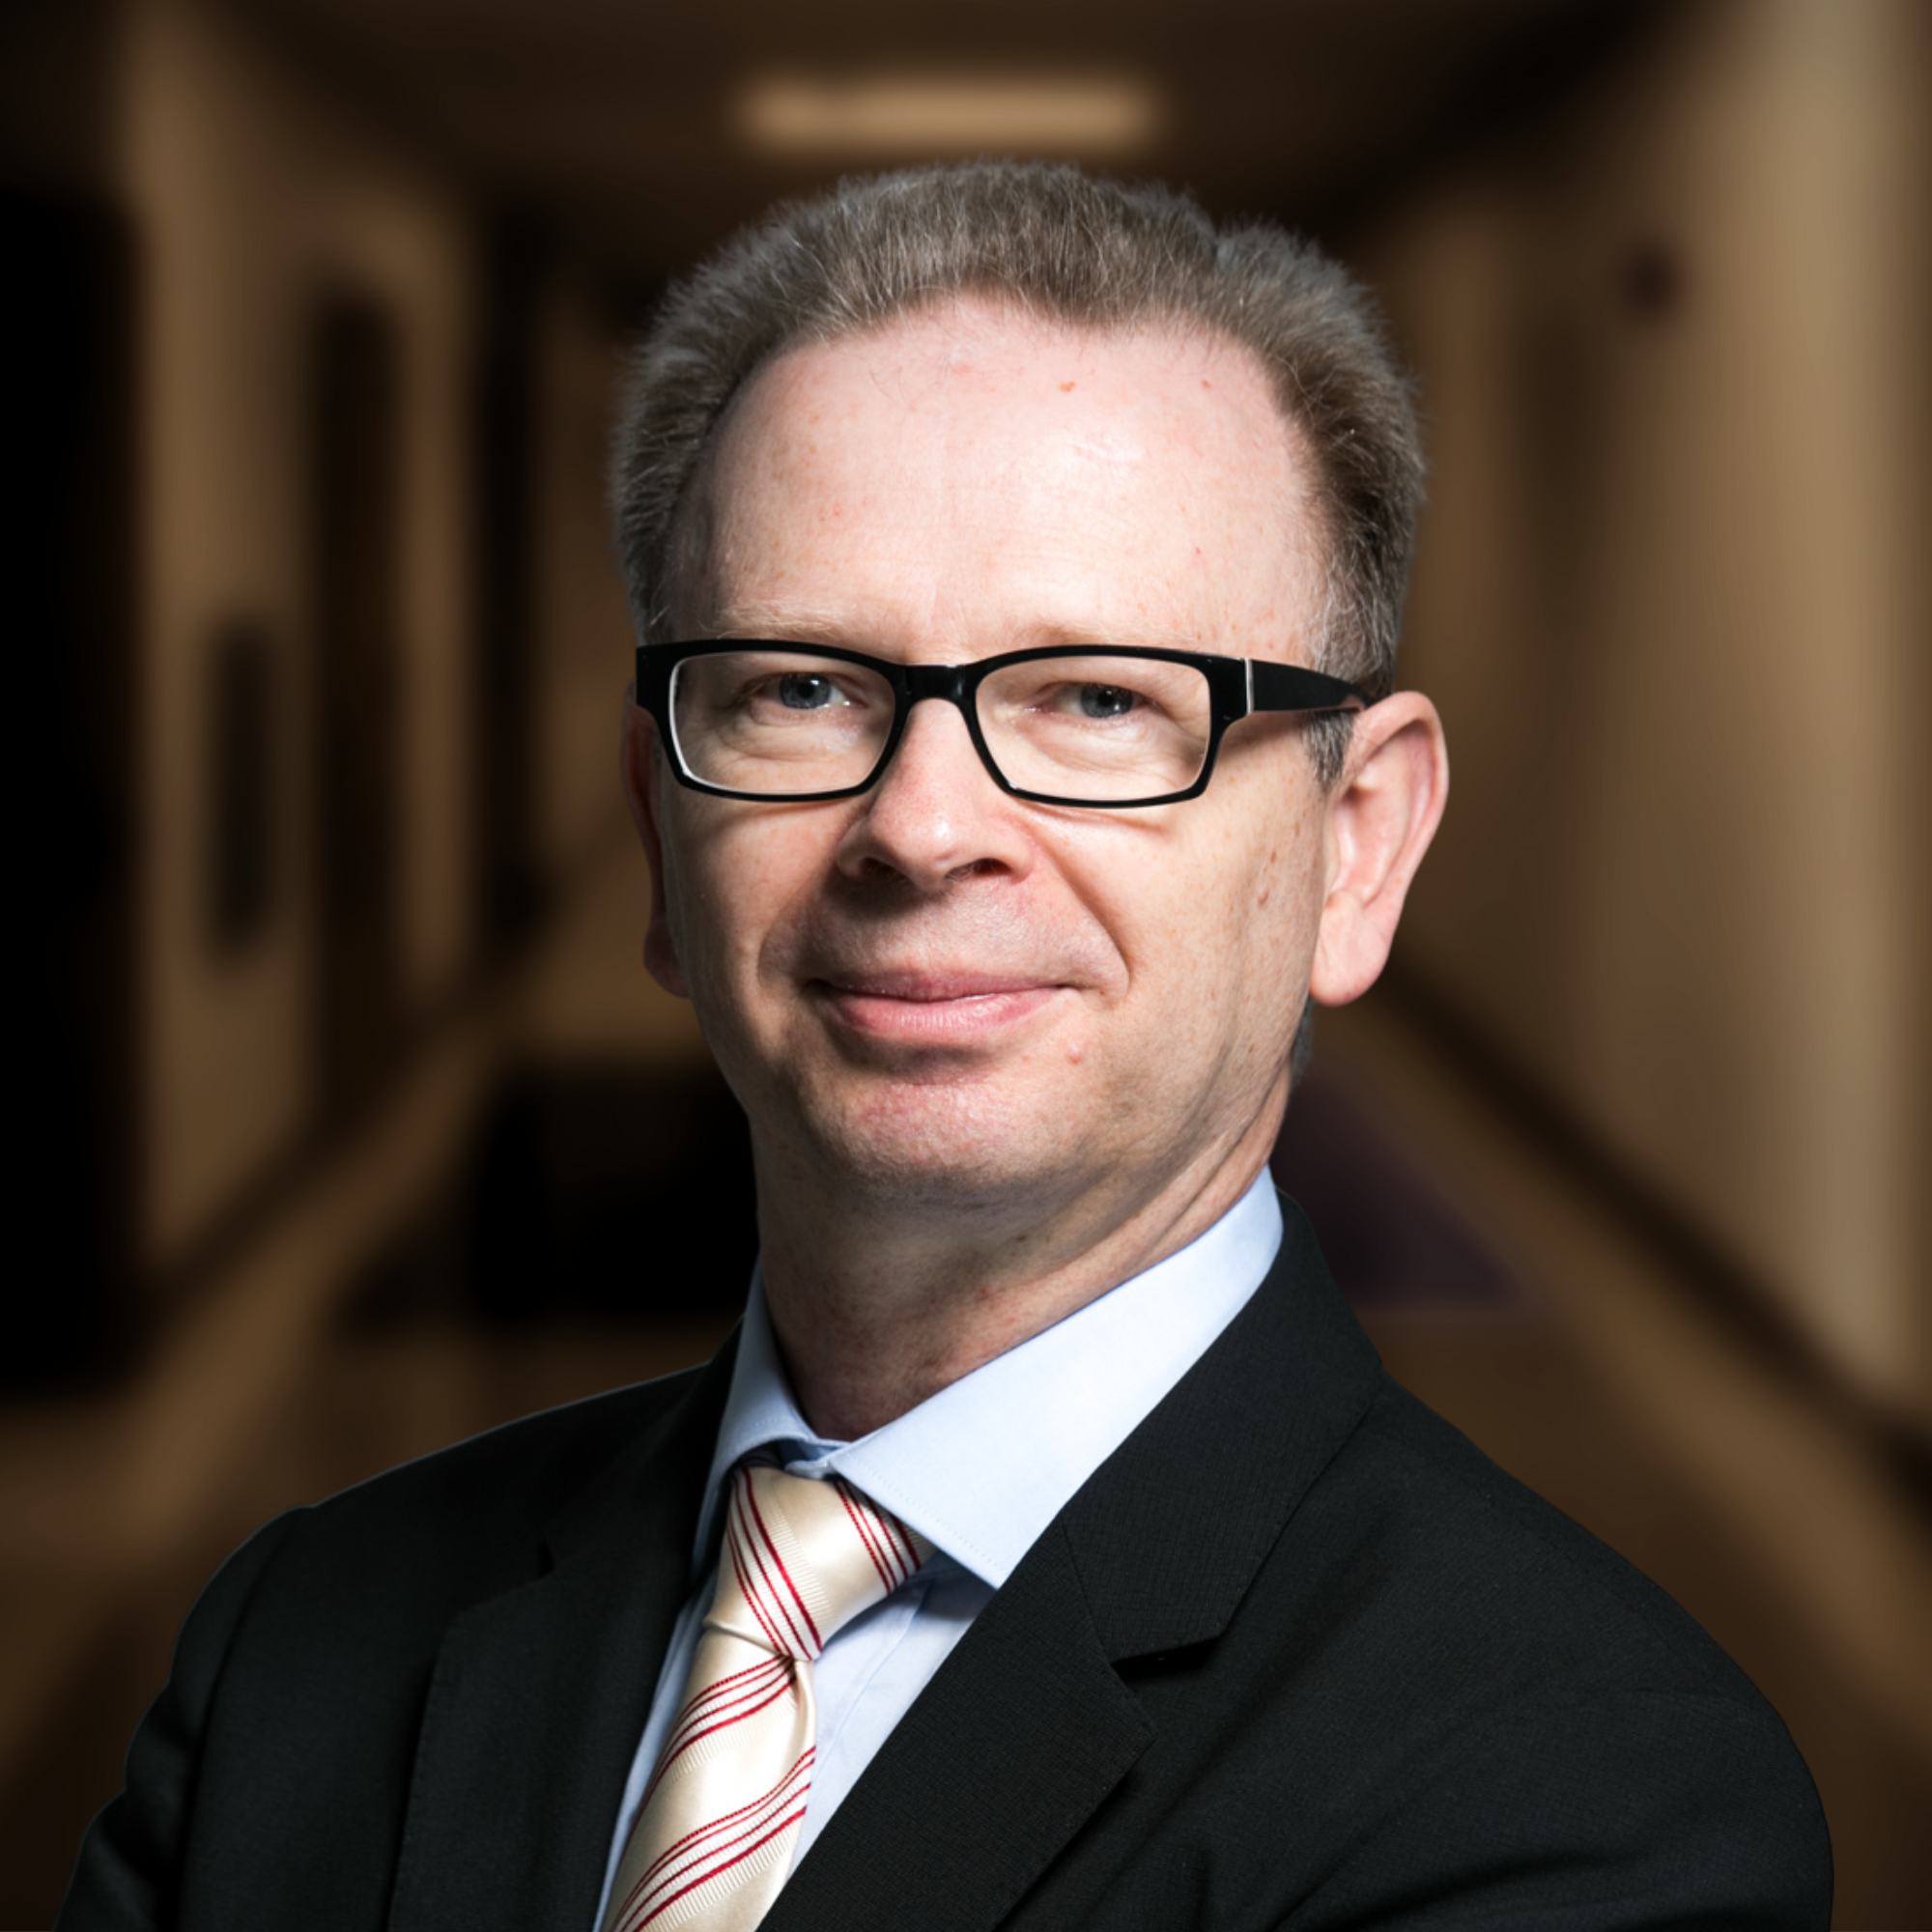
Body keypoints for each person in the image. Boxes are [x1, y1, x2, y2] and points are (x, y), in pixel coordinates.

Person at [61, 161, 1830, 1932]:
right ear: (660, 838)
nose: (921, 829)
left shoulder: (1589, 1798)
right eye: (802, 689)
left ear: (1356, 845)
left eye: (1099, 699)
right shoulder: (299, 1646)